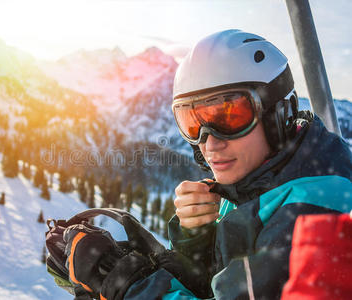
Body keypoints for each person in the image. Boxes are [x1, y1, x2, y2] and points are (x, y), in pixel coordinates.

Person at [50, 29, 352, 299]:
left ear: (278, 114)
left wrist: (126, 284)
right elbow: (221, 284)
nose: (209, 142)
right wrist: (198, 238)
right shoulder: (264, 176)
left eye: (230, 116)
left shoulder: (315, 214)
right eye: (192, 122)